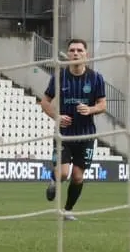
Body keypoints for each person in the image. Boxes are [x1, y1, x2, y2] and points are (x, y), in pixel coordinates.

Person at [40, 38, 107, 221]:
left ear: (86, 54)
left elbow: (102, 105)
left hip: (86, 135)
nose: (75, 53)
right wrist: (57, 117)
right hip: (64, 135)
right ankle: (53, 180)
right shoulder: (59, 77)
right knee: (63, 173)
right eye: (72, 50)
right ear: (68, 54)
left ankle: (67, 210)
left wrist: (90, 109)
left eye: (79, 50)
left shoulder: (96, 78)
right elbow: (45, 102)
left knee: (77, 177)